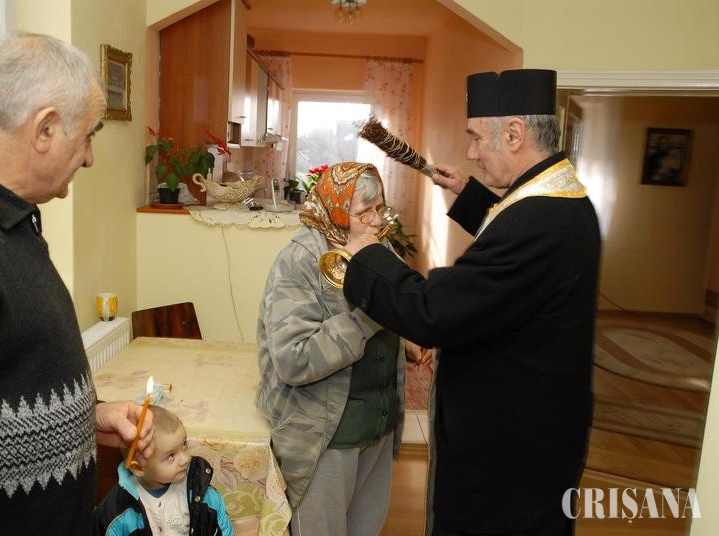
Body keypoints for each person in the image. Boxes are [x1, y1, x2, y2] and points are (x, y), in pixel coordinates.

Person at [343, 69, 602, 536]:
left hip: (511, 452)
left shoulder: (539, 221)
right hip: (539, 427)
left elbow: (432, 312)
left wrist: (365, 256)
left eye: (477, 138)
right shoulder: (563, 197)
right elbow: (512, 248)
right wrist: (469, 194)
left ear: (515, 134)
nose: (472, 152)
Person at [0, 34, 154, 534]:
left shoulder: (3, 214)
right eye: (87, 136)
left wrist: (93, 416)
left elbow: (3, 374)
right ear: (45, 129)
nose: (89, 158)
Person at [256, 162, 429, 536]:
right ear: (335, 210)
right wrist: (371, 316)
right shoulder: (300, 261)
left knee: (366, 527)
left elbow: (394, 309)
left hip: (377, 425)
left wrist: (405, 337)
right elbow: (293, 359)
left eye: (379, 208)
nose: (376, 221)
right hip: (327, 436)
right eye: (364, 211)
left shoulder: (378, 246)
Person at [95, 405, 233, 536]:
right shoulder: (118, 512)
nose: (185, 459)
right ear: (138, 468)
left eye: (184, 444)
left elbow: (222, 528)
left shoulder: (201, 494)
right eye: (171, 456)